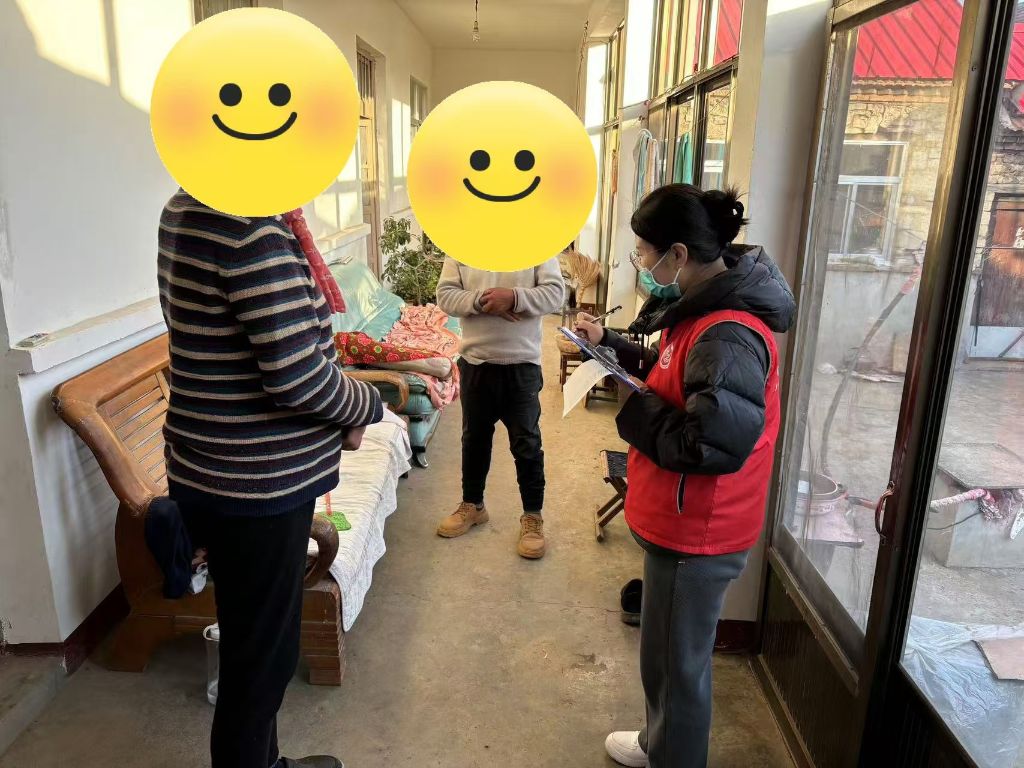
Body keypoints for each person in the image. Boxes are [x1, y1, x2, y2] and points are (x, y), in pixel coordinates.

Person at [158, 189, 384, 768]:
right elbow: (297, 377)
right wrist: (365, 405)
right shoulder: (252, 230)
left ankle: (269, 763)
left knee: (252, 646)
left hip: (212, 469)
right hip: (255, 484)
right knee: (261, 664)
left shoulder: (187, 206)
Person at [574, 184, 795, 768]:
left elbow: (709, 444)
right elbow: (674, 375)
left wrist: (635, 407)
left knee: (679, 666)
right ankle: (660, 743)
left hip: (700, 529)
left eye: (644, 252)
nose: (640, 263)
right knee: (664, 656)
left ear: (677, 253)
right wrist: (611, 346)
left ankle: (674, 755)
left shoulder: (727, 334)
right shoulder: (700, 312)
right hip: (683, 518)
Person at [434, 255, 565, 558]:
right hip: (476, 363)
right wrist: (484, 300)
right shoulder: (462, 245)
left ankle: (532, 516)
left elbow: (556, 294)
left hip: (522, 365)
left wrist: (514, 298)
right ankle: (473, 505)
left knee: (527, 444)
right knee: (474, 440)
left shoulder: (538, 245)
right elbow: (445, 296)